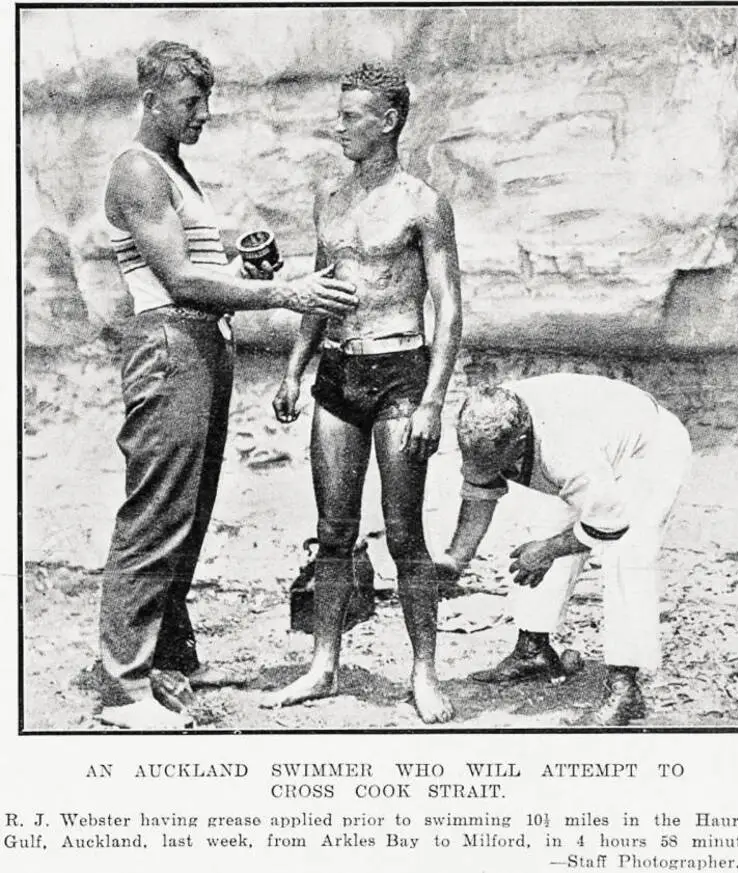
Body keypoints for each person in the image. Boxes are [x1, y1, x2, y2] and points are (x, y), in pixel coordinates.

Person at [98, 41, 358, 730]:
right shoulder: (137, 169)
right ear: (152, 100)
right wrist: (282, 290)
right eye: (190, 102)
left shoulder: (175, 171)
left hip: (202, 347)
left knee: (188, 513)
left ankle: (164, 662)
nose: (204, 114)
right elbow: (179, 281)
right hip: (169, 345)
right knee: (155, 514)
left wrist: (247, 268)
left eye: (206, 100)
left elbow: (195, 271)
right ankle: (123, 690)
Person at [262, 62, 462, 724]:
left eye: (351, 116)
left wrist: (434, 398)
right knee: (331, 530)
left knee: (405, 531)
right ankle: (323, 664)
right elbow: (320, 294)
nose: (339, 125)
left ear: (389, 120)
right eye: (339, 113)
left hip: (402, 370)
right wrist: (295, 366)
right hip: (338, 374)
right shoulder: (330, 200)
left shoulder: (422, 202)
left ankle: (424, 670)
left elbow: (450, 307)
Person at [436, 375, 692, 726]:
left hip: (646, 450)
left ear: (520, 441)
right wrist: (454, 562)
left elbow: (610, 524)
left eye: (497, 461)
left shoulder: (565, 450)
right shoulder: (484, 419)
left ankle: (624, 686)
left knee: (627, 556)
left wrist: (549, 551)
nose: (488, 469)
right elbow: (481, 487)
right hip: (598, 450)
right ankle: (533, 651)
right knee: (543, 526)